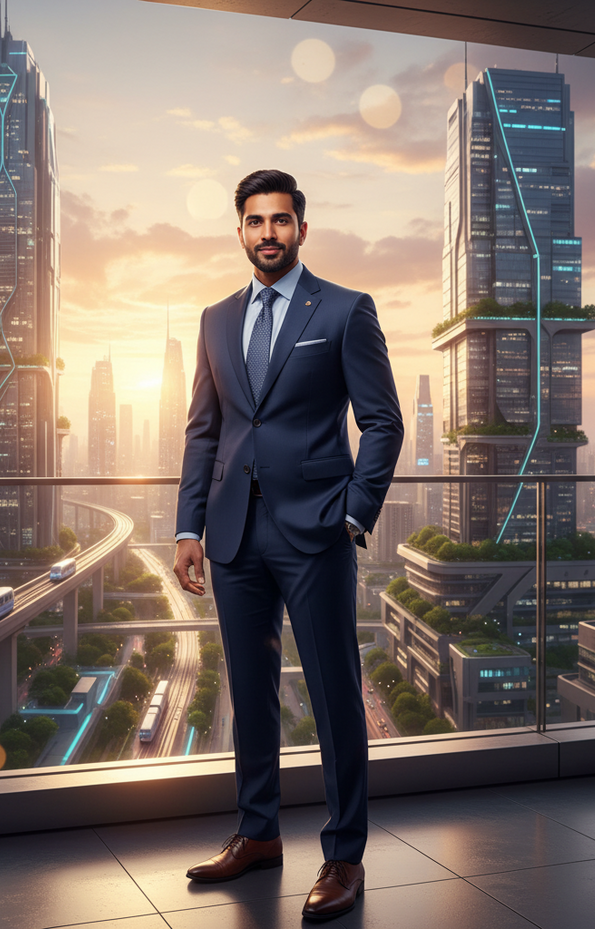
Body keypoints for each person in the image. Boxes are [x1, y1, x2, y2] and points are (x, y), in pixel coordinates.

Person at [173, 169, 403, 921]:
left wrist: (354, 514)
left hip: (316, 530)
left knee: (335, 693)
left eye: (279, 220)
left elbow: (383, 421)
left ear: (301, 229)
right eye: (254, 220)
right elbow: (204, 431)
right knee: (249, 691)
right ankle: (258, 834)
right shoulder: (215, 319)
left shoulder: (343, 309)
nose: (267, 232)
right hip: (233, 533)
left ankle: (344, 855)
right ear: (239, 231)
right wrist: (188, 527)